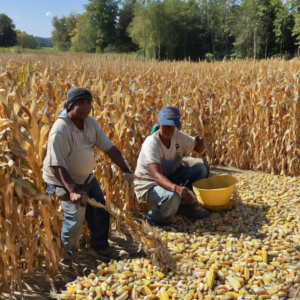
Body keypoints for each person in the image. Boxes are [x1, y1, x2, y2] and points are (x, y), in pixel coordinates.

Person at [43, 88, 131, 265]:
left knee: (100, 210)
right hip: (61, 180)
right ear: (69, 105)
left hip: (86, 178)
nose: (85, 107)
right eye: (80, 103)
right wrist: (74, 190)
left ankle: (99, 245)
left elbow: (109, 148)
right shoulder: (60, 130)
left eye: (88, 103)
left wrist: (127, 171)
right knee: (76, 217)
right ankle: (67, 258)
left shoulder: (90, 123)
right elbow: (57, 165)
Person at [134, 106, 211, 227]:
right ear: (158, 124)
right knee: (173, 196)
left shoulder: (177, 137)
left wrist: (200, 143)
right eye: (166, 126)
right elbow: (157, 176)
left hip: (169, 177)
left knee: (201, 169)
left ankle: (184, 207)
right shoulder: (151, 143)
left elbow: (198, 149)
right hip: (149, 186)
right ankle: (154, 219)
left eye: (172, 126)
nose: (169, 130)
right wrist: (177, 189)